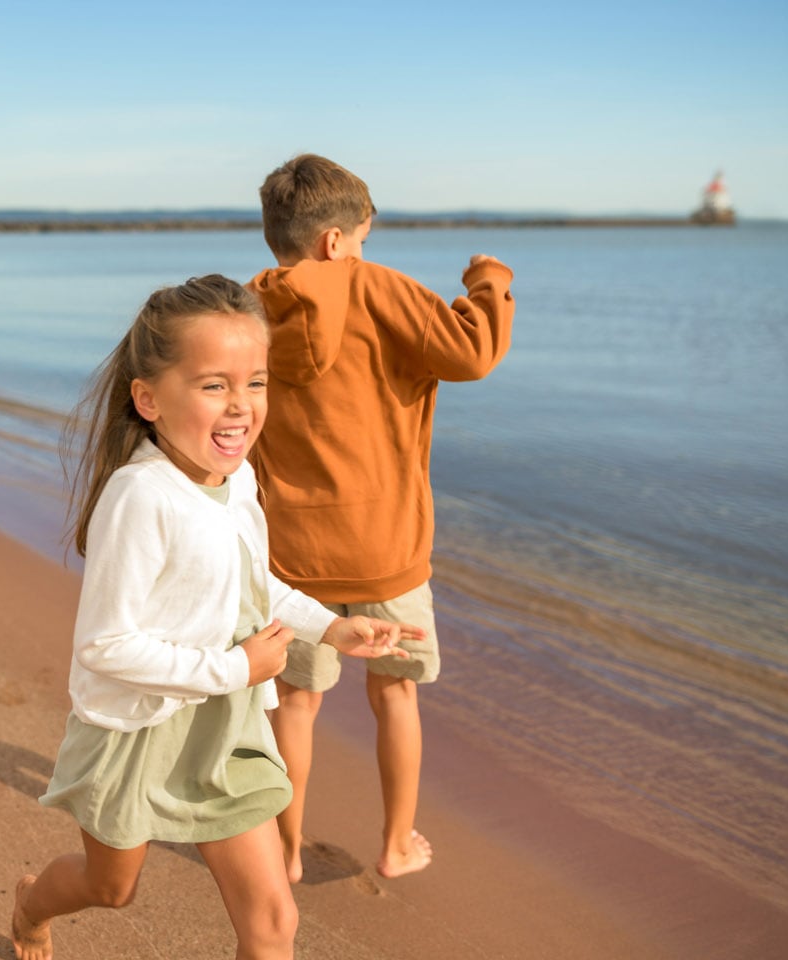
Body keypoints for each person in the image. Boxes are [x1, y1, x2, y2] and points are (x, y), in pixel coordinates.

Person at [8, 276, 424, 960]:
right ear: (148, 398)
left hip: (226, 723)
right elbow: (105, 646)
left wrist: (329, 627)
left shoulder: (240, 479)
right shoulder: (140, 497)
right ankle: (30, 906)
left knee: (272, 924)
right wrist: (236, 666)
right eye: (213, 386)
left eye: (255, 383)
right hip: (137, 728)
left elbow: (247, 582)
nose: (241, 408)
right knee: (113, 887)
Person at [247, 154, 514, 881]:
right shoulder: (379, 289)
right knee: (393, 692)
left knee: (296, 703)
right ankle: (396, 846)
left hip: (291, 551)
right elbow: (475, 352)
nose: (363, 251)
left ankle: (288, 851)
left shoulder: (249, 307)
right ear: (336, 240)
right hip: (387, 545)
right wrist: (488, 282)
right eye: (362, 238)